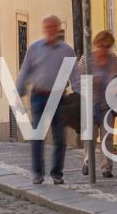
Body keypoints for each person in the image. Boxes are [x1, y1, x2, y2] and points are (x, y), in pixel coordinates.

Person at [15, 14, 77, 185]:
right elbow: (25, 70)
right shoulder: (34, 48)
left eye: (53, 27)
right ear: (44, 29)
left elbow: (75, 74)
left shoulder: (66, 50)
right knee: (37, 136)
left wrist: (81, 94)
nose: (50, 30)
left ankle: (57, 173)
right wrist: (18, 91)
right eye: (47, 27)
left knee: (59, 137)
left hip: (58, 97)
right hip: (39, 96)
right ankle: (37, 173)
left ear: (58, 29)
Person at [77, 30, 117, 177]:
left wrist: (116, 87)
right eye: (101, 46)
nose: (104, 49)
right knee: (90, 136)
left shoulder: (113, 60)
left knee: (107, 137)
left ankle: (106, 168)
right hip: (89, 104)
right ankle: (87, 162)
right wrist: (90, 82)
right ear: (96, 45)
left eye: (107, 46)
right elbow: (76, 81)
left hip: (107, 105)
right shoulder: (87, 59)